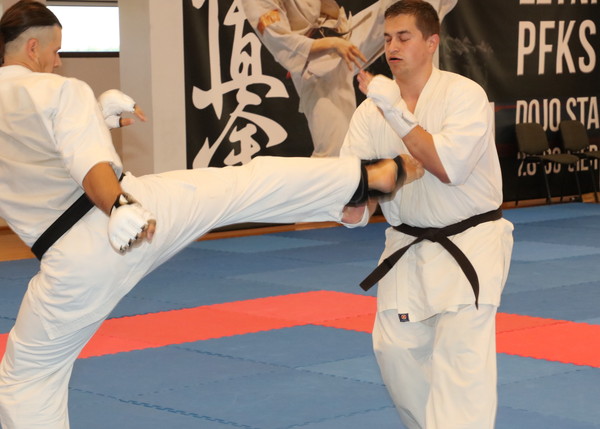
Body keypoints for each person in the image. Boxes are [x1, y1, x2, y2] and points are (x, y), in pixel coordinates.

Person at [0, 1, 424, 428]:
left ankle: (356, 186)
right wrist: (119, 205)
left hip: (67, 266)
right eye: (55, 50)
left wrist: (95, 119)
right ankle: (362, 180)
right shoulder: (60, 90)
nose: (58, 61)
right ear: (33, 48)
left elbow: (29, 152)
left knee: (25, 379)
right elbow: (89, 166)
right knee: (242, 186)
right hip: (123, 216)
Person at [339, 1, 513, 428]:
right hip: (406, 244)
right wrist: (352, 198)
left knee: (461, 366)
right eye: (386, 38)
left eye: (404, 37)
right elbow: (357, 196)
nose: (392, 47)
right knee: (395, 353)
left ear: (432, 42)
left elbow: (447, 168)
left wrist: (396, 114)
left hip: (471, 244)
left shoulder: (464, 95)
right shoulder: (368, 112)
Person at [241, 0, 457, 158]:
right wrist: (332, 44)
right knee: (336, 155)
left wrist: (337, 41)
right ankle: (317, 206)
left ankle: (424, 97)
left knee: (409, 6)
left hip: (344, 34)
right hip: (317, 63)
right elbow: (280, 40)